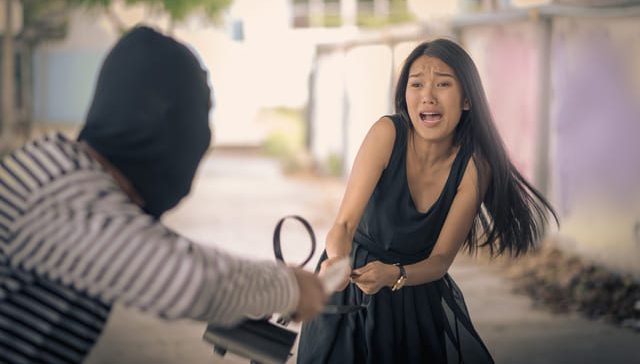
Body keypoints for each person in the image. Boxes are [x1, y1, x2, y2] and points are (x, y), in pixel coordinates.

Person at [0, 26, 329, 364]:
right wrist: (289, 288)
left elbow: (164, 250)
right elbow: (186, 281)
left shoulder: (73, 176)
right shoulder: (59, 188)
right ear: (159, 127)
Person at [297, 38, 558, 363]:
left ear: (466, 100)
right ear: (406, 96)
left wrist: (394, 275)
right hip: (348, 289)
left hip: (414, 297)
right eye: (416, 84)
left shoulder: (474, 168)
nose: (428, 96)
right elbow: (345, 224)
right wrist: (336, 261)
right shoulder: (387, 134)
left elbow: (440, 260)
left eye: (443, 84)